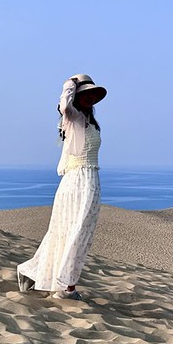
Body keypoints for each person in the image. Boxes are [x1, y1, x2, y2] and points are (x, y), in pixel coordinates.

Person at [17, 74, 107, 300]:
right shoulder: (73, 117)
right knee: (74, 231)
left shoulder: (89, 121)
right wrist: (70, 84)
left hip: (89, 179)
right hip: (77, 180)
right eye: (85, 94)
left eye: (92, 94)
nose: (90, 98)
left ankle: (34, 271)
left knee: (77, 231)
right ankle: (66, 287)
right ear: (77, 96)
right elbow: (64, 107)